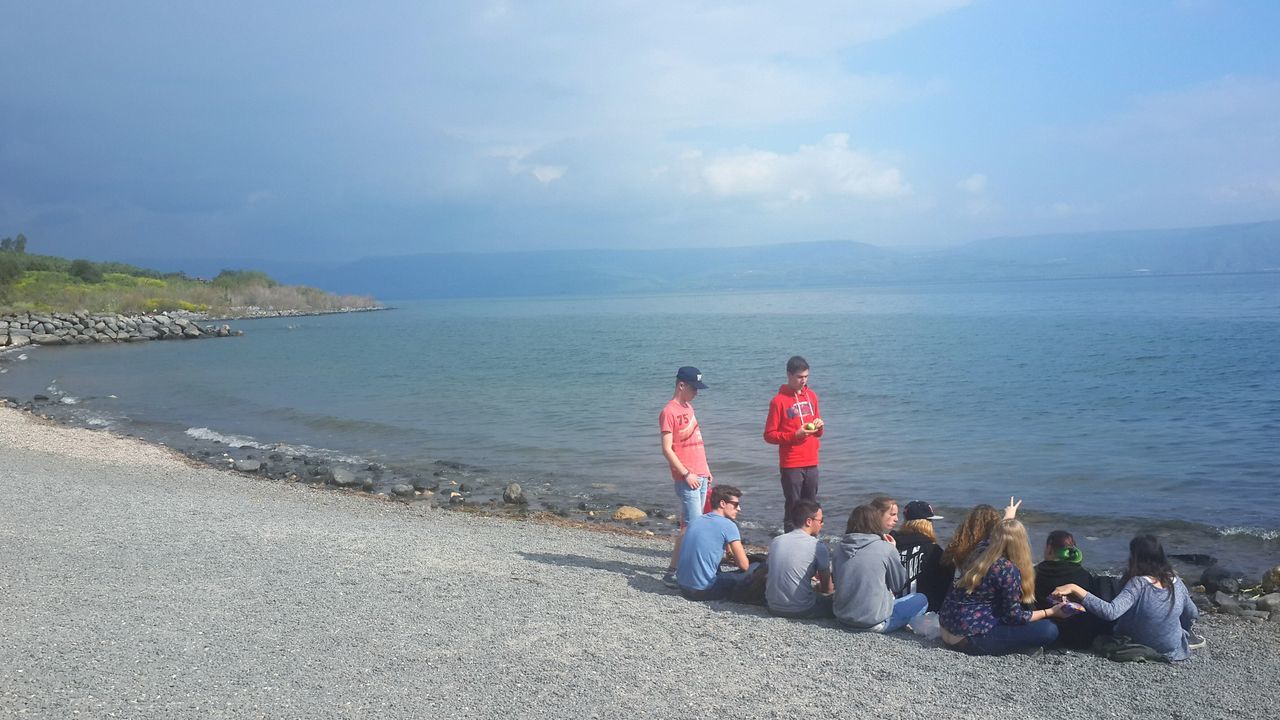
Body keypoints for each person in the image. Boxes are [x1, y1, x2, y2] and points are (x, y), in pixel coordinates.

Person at [1053, 534, 1202, 662]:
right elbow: (1193, 613)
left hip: (1141, 643)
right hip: (1173, 647)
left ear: (1136, 557)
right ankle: (1186, 636)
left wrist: (1076, 589)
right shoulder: (1175, 580)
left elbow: (1111, 612)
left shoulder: (1139, 583)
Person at [939, 517, 1069, 655]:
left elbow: (995, 538)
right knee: (1049, 629)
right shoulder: (1007, 569)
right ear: (1021, 543)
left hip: (946, 629)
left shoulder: (978, 552)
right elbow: (1014, 617)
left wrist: (1007, 520)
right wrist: (1050, 612)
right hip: (968, 639)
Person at [832, 505, 928, 632]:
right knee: (921, 599)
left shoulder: (840, 547)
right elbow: (898, 585)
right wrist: (894, 550)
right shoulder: (886, 548)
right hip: (873, 622)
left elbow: (836, 581)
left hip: (841, 618)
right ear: (876, 523)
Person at [659, 366, 712, 588]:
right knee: (692, 527)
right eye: (693, 388)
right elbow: (667, 449)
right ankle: (675, 572)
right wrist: (686, 473)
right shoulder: (668, 412)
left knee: (691, 526)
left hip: (701, 475)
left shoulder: (689, 408)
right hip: (687, 478)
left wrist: (706, 469)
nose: (696, 393)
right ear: (681, 385)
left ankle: (679, 570)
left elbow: (697, 442)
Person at [763, 356, 823, 532]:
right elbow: (769, 435)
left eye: (806, 376)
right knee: (793, 506)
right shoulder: (778, 401)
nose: (803, 380)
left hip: (812, 460)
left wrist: (819, 427)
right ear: (789, 375)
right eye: (799, 377)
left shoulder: (811, 396)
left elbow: (818, 431)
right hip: (791, 462)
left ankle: (811, 542)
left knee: (811, 506)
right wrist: (794, 435)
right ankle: (789, 543)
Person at [1033, 530, 1111, 649]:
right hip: (1080, 635)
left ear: (1049, 548)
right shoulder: (1084, 575)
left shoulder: (1035, 573)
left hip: (1047, 630)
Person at [676, 485, 752, 601]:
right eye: (736, 504)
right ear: (722, 503)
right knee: (754, 568)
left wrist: (724, 559)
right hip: (703, 591)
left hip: (682, 585)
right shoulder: (729, 525)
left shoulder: (696, 520)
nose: (739, 509)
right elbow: (744, 565)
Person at [766, 499, 833, 618]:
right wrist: (819, 587)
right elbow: (827, 589)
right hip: (802, 610)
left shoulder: (777, 541)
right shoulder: (818, 546)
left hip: (772, 607)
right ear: (808, 521)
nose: (822, 524)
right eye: (821, 520)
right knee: (835, 600)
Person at [890, 501, 949, 611]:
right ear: (925, 523)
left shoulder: (890, 544)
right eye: (930, 521)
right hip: (922, 611)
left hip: (889, 607)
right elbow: (944, 586)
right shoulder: (933, 551)